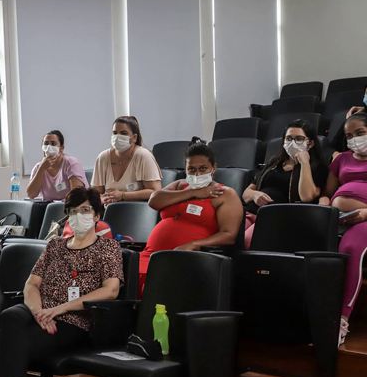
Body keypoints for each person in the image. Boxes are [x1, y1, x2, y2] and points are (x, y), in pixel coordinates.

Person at [0, 187, 123, 377]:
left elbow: (111, 290)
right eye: (73, 211)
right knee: (9, 316)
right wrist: (40, 314)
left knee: (7, 346)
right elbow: (31, 284)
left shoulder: (108, 247)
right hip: (38, 311)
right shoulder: (55, 245)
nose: (78, 216)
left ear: (97, 215)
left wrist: (58, 310)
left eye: (85, 210)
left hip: (72, 320)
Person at [138, 137, 243, 294]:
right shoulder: (180, 185)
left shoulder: (225, 194)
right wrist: (193, 192)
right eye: (191, 169)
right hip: (151, 254)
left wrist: (194, 244)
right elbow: (154, 200)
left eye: (203, 168)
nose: (197, 173)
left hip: (185, 257)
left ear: (213, 168)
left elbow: (228, 235)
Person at [319, 113, 367, 345]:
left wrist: (365, 213)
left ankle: (342, 319)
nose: (354, 139)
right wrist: (324, 205)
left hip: (366, 218)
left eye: (360, 133)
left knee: (351, 247)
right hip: (341, 219)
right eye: (349, 135)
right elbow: (327, 194)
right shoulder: (341, 159)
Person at [242, 119, 328, 248]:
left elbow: (307, 196)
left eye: (299, 139)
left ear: (310, 143)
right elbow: (246, 193)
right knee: (231, 239)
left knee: (247, 240)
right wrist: (255, 195)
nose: (292, 143)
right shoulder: (273, 162)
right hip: (252, 212)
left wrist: (304, 163)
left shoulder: (317, 167)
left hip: (278, 216)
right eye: (288, 139)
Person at [91, 116, 162, 204]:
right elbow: (96, 192)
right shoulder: (103, 157)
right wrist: (102, 198)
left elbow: (155, 191)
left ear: (134, 137)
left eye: (123, 133)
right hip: (108, 210)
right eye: (115, 133)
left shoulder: (143, 156)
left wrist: (123, 195)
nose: (117, 137)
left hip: (136, 210)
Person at [27, 130, 88, 201]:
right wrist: (42, 168)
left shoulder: (71, 163)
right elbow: (31, 194)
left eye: (53, 144)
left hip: (72, 207)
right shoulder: (38, 167)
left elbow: (77, 195)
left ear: (61, 148)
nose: (49, 147)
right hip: (49, 208)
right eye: (46, 144)